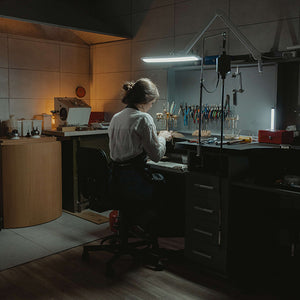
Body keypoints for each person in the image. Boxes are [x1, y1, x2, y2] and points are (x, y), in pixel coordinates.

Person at [108, 78, 171, 239]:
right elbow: (156, 156)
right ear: (145, 101)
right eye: (152, 104)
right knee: (167, 184)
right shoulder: (143, 118)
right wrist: (162, 137)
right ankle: (152, 230)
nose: (151, 108)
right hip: (134, 182)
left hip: (116, 180)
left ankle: (131, 224)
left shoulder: (116, 117)